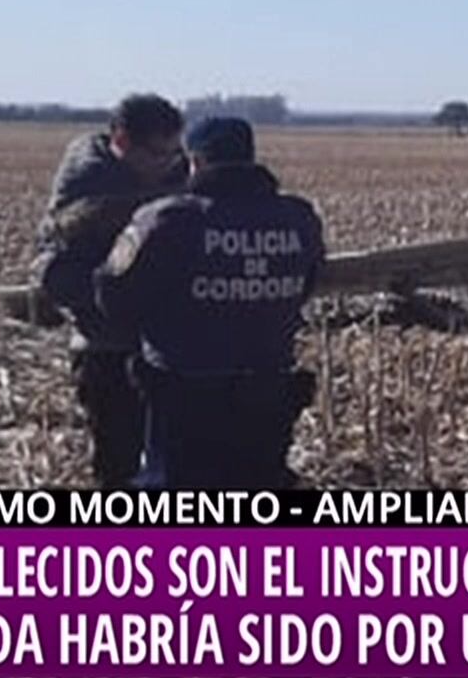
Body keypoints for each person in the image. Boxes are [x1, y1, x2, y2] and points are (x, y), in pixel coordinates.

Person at [95, 117, 325, 491]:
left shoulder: (166, 220)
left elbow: (114, 295)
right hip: (269, 392)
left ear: (196, 162)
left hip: (184, 395)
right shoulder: (299, 219)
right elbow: (307, 284)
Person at [35, 94, 188, 487]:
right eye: (157, 154)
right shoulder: (85, 185)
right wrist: (119, 297)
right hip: (109, 349)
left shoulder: (180, 171)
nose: (169, 164)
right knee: (118, 468)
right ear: (121, 140)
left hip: (174, 353)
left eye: (175, 153)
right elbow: (54, 272)